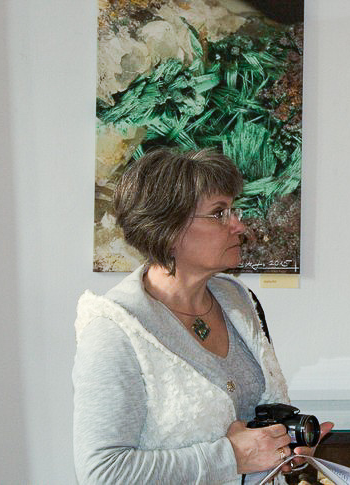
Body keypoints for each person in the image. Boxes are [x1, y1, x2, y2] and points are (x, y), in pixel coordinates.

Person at [73, 147, 331, 484]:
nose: (239, 225)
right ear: (168, 227)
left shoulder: (239, 301)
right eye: (219, 213)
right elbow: (102, 473)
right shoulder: (115, 329)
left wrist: (284, 450)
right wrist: (231, 457)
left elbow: (256, 428)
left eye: (234, 210)